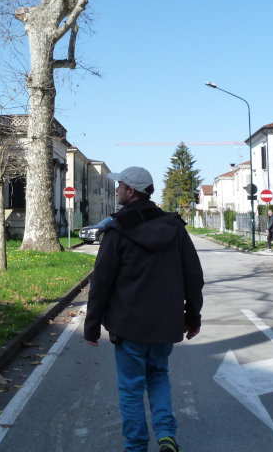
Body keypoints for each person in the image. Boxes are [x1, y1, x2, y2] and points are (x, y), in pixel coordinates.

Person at [84, 166, 204, 452]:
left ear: (131, 191)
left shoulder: (117, 229)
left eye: (120, 185)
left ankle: (137, 447)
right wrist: (193, 316)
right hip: (165, 325)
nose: (117, 189)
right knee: (159, 376)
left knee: (131, 389)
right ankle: (166, 436)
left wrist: (92, 325)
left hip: (129, 326)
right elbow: (193, 276)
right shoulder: (174, 227)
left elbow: (101, 281)